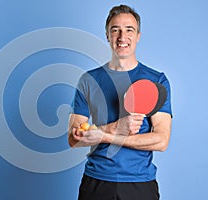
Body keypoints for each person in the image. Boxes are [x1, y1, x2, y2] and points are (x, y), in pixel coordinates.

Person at [68, 4, 172, 200]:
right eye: (115, 30)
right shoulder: (88, 80)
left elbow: (161, 140)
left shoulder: (157, 80)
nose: (122, 37)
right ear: (107, 35)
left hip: (140, 183)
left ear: (138, 35)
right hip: (96, 182)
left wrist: (105, 136)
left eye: (129, 30)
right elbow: (73, 139)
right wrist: (116, 126)